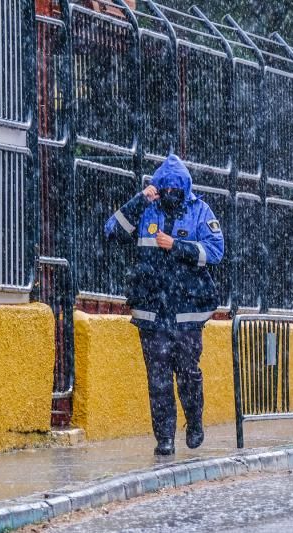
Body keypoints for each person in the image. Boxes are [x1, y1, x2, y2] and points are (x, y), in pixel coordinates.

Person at [104, 154, 224, 455]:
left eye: (176, 190)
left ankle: (194, 421)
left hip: (186, 312)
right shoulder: (146, 210)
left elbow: (216, 251)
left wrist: (177, 246)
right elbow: (112, 232)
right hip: (152, 310)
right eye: (165, 189)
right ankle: (165, 438)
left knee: (188, 373)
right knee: (157, 379)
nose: (170, 195)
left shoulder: (199, 211)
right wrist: (139, 200)